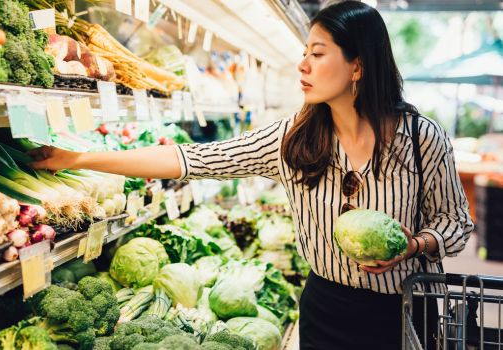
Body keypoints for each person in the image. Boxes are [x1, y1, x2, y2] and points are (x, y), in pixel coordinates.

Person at [27, 1, 473, 349]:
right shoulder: (293, 142)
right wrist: (77, 159)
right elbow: (190, 160)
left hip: (404, 313)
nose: (303, 65)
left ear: (357, 66)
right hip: (327, 309)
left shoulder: (420, 138)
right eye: (304, 53)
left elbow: (456, 225)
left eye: (318, 54)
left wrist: (413, 245)